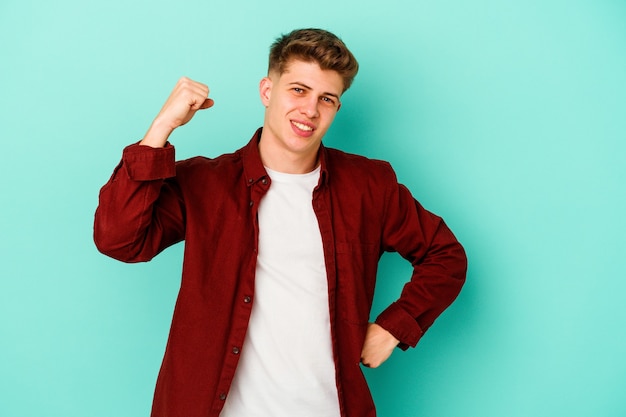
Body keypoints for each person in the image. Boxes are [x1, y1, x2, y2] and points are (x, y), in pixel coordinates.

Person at [94, 28, 467, 417]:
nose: (310, 110)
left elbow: (446, 256)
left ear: (337, 108)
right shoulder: (205, 183)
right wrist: (160, 129)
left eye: (327, 98)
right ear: (267, 91)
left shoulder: (369, 186)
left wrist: (394, 327)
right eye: (299, 90)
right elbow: (119, 239)